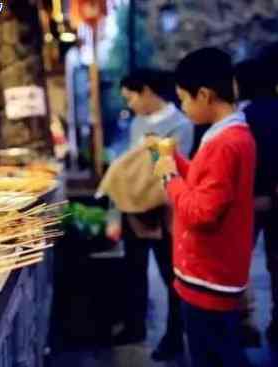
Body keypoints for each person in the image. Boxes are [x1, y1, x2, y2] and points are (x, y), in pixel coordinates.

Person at [154, 47, 256, 367]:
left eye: (183, 100)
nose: (182, 108)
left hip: (209, 278)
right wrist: (178, 162)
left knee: (212, 354)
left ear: (205, 95)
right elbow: (206, 184)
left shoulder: (226, 143)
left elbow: (201, 212)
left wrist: (170, 176)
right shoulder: (226, 135)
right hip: (212, 272)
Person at [113, 68, 193, 361]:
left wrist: (147, 160)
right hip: (134, 209)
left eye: (131, 96)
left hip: (166, 214)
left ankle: (173, 336)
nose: (130, 103)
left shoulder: (181, 126)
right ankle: (134, 327)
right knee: (133, 271)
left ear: (146, 91)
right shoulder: (137, 123)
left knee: (171, 276)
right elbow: (131, 166)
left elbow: (168, 169)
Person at [235, 56, 278, 346]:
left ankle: (244, 323)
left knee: (238, 263)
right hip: (275, 198)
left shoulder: (243, 118)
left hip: (249, 200)